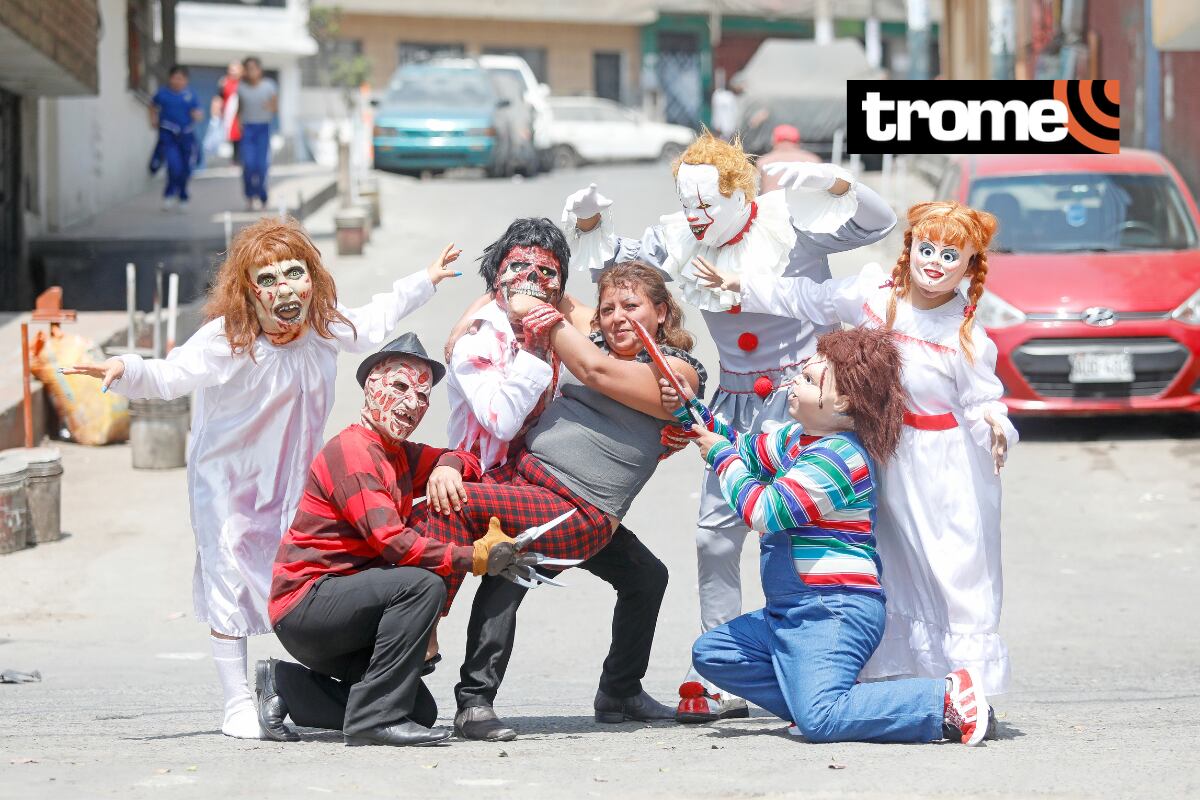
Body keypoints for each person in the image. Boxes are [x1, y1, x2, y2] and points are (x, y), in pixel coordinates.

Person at [63, 218, 462, 739]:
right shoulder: (228, 341)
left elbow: (372, 321)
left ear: (312, 277)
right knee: (228, 576)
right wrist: (128, 368)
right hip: (228, 484)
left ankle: (336, 681)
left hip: (295, 479)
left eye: (294, 273)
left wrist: (425, 280)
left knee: (315, 573)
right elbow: (172, 373)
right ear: (248, 290)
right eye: (267, 279)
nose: (284, 289)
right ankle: (236, 704)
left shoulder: (322, 328)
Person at [560, 131, 897, 722]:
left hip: (806, 400)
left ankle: (836, 654)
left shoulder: (787, 221)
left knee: (807, 531)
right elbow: (621, 271)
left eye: (707, 202)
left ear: (741, 192)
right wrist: (588, 224)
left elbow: (878, 223)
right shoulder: (679, 235)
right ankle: (724, 671)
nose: (696, 214)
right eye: (687, 202)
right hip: (736, 399)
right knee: (714, 537)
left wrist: (839, 183)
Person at [693, 201, 1016, 697]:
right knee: (887, 559)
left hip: (943, 464)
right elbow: (810, 297)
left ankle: (966, 685)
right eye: (927, 248)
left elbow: (982, 399)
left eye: (951, 255)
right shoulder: (876, 297)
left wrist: (994, 422)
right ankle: (887, 673)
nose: (935, 263)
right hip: (884, 452)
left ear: (971, 265)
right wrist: (741, 284)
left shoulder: (965, 334)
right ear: (910, 249)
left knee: (951, 564)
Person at [422, 259, 707, 741]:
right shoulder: (597, 337)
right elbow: (524, 289)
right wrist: (467, 320)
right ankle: (620, 691)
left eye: (632, 306)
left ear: (661, 312)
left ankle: (457, 679)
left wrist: (544, 318)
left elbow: (593, 370)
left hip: (578, 507)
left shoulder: (676, 371)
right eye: (608, 308)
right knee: (646, 577)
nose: (617, 317)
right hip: (528, 482)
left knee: (471, 521)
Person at [674, 326, 994, 746]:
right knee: (714, 653)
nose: (793, 383)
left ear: (843, 402)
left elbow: (766, 512)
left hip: (833, 608)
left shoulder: (839, 457)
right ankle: (828, 704)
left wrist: (721, 458)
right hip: (790, 610)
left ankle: (942, 700)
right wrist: (689, 409)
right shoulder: (796, 438)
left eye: (809, 380)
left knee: (820, 720)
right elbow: (742, 447)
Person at [257, 335, 532, 747]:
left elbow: (465, 458)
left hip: (346, 610)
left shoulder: (397, 452)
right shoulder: (353, 452)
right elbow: (393, 543)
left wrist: (447, 467)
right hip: (307, 606)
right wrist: (473, 557)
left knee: (418, 710)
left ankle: (285, 686)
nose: (412, 403)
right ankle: (373, 720)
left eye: (422, 396)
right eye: (400, 386)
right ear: (372, 388)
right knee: (421, 584)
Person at [150, 65, 203, 212]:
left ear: (186, 80)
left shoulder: (190, 94)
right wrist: (153, 119)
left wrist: (197, 115)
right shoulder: (163, 93)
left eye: (181, 78)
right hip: (168, 134)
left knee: (186, 168)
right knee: (174, 166)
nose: (178, 81)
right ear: (170, 78)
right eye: (175, 78)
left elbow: (198, 112)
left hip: (186, 135)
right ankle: (169, 194)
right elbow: (152, 106)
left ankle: (183, 195)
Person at [237, 56, 278, 210]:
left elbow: (275, 107)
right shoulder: (241, 87)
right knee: (248, 165)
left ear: (259, 70)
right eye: (248, 69)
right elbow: (240, 108)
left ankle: (262, 197)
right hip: (247, 129)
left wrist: (269, 106)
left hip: (263, 128)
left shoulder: (269, 86)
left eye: (253, 68)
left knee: (261, 166)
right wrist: (238, 123)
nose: (251, 72)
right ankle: (249, 196)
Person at [756, 124, 820, 194]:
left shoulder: (763, 162)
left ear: (773, 141)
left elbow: (755, 191)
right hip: (805, 200)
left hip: (771, 200)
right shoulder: (813, 160)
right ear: (798, 141)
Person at [212, 60, 243, 163]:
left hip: (243, 116)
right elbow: (218, 98)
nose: (233, 72)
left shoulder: (245, 83)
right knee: (233, 138)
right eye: (231, 69)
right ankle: (235, 160)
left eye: (236, 69)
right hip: (229, 116)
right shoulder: (224, 82)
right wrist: (216, 112)